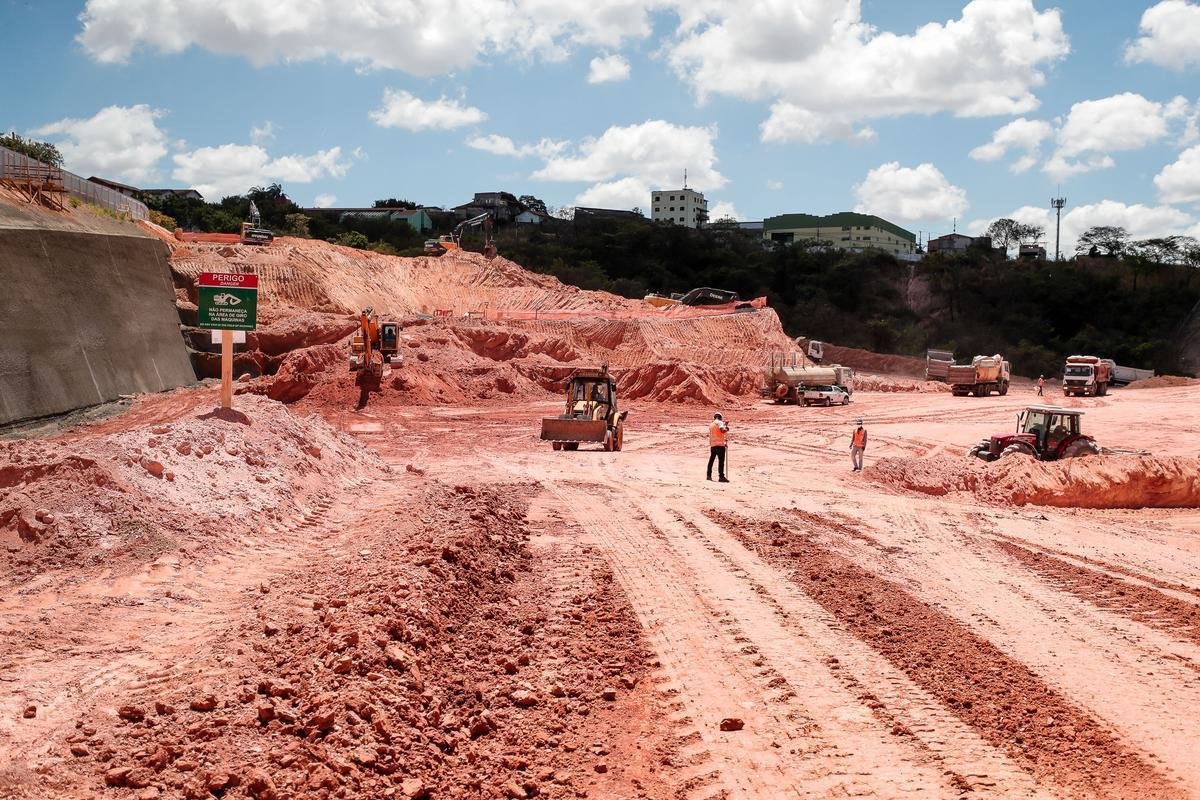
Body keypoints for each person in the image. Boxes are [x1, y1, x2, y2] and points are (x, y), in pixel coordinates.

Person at [708, 412, 729, 482]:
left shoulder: (711, 424)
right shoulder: (720, 422)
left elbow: (716, 433)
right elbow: (722, 431)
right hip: (720, 445)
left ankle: (708, 475)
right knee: (721, 462)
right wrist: (726, 429)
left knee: (711, 461)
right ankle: (721, 477)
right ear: (720, 417)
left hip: (713, 445)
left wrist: (725, 425)